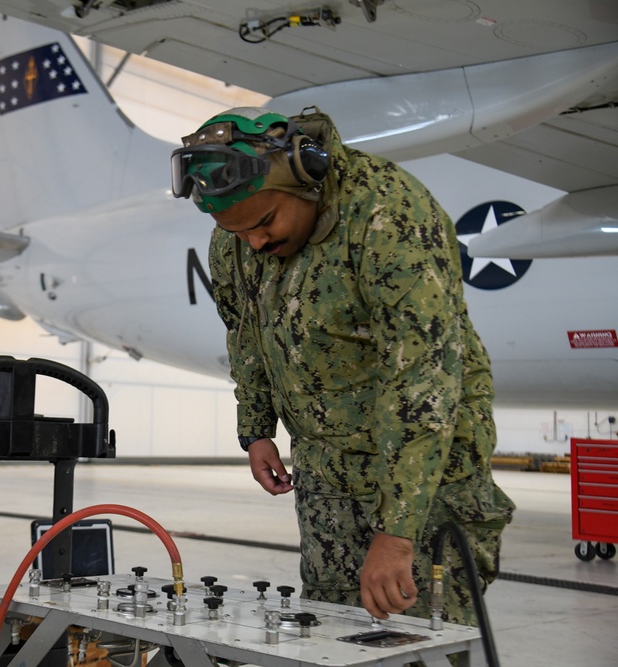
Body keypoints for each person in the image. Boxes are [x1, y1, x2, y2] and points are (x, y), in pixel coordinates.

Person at [170, 106, 515, 626]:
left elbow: (423, 380)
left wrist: (397, 535)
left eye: (264, 223)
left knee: (418, 643)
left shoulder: (388, 214)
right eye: (238, 233)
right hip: (326, 477)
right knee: (331, 636)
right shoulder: (237, 238)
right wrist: (256, 429)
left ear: (304, 179)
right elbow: (246, 333)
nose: (255, 243)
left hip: (425, 484)